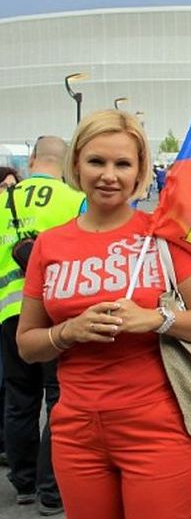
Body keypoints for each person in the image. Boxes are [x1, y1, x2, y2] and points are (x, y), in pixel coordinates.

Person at [16, 109, 191, 519]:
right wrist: (68, 332)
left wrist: (157, 320)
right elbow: (27, 345)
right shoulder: (49, 245)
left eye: (122, 164)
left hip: (157, 430)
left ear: (139, 171)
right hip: (75, 433)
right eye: (97, 161)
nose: (109, 175)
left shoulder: (161, 235)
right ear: (76, 163)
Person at [0, 138, 85, 516]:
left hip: (8, 314)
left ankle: (23, 483)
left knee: (19, 398)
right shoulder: (74, 200)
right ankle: (52, 489)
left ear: (32, 159)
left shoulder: (3, 201)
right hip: (56, 315)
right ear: (66, 161)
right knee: (58, 401)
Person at [0, 166, 21, 469]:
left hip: (11, 310)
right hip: (8, 308)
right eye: (4, 186)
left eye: (11, 186)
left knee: (12, 388)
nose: (8, 191)